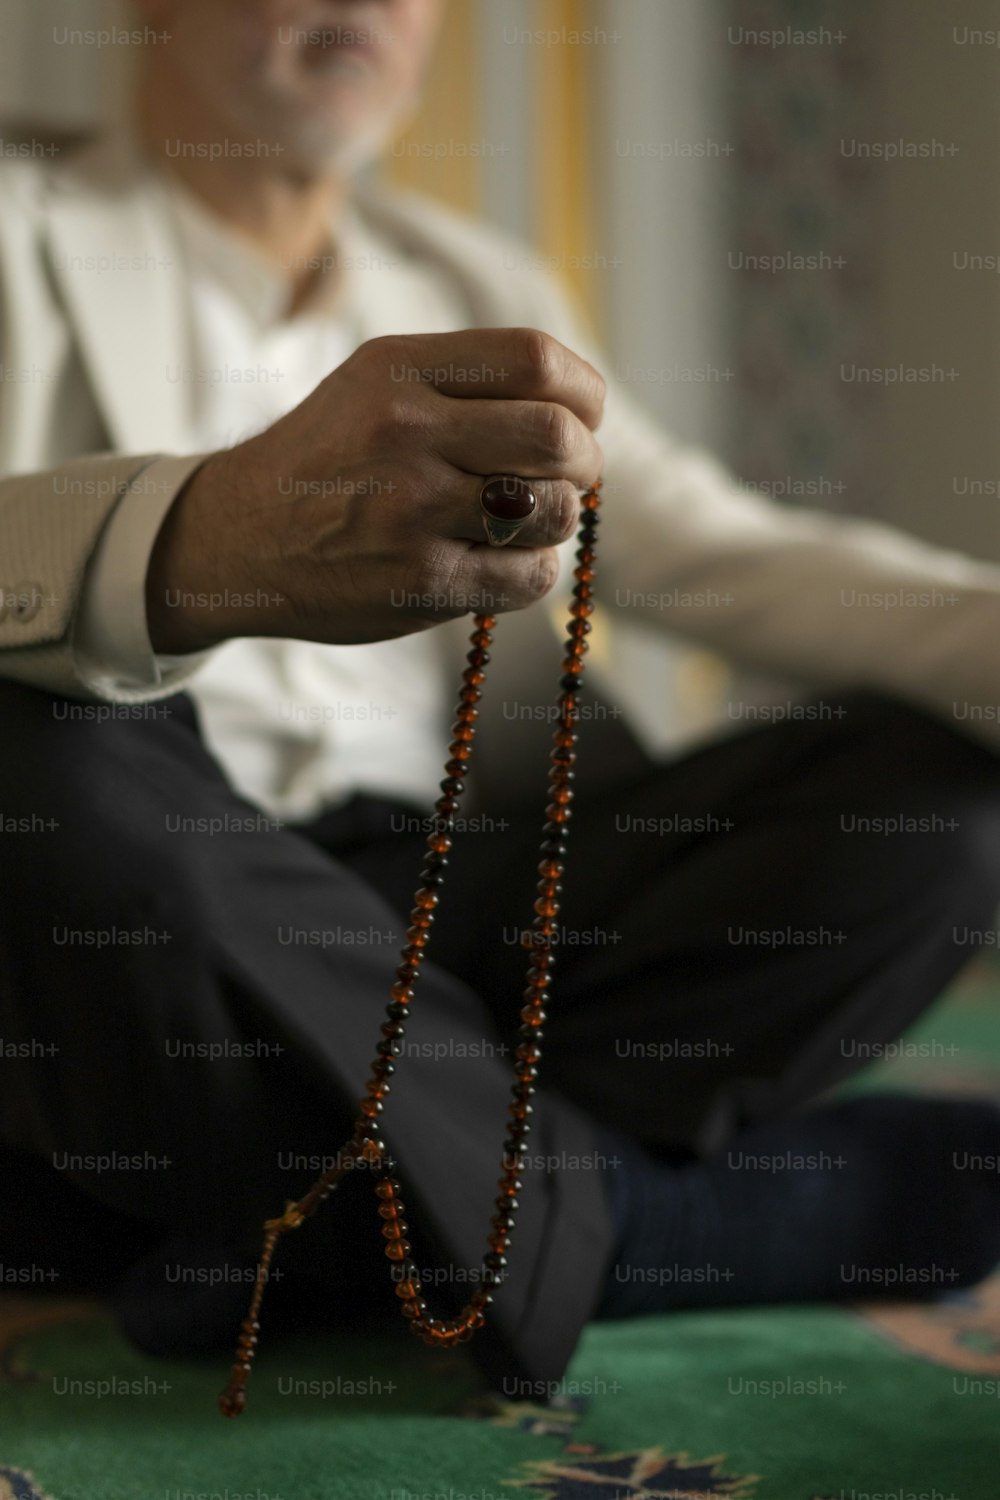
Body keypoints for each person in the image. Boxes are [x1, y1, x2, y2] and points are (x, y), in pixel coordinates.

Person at [3, 0, 1000, 1395]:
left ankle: (331, 1202)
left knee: (934, 802)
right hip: (158, 902)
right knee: (36, 785)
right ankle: (648, 1221)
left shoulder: (472, 277)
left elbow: (729, 555)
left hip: (455, 914)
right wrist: (197, 540)